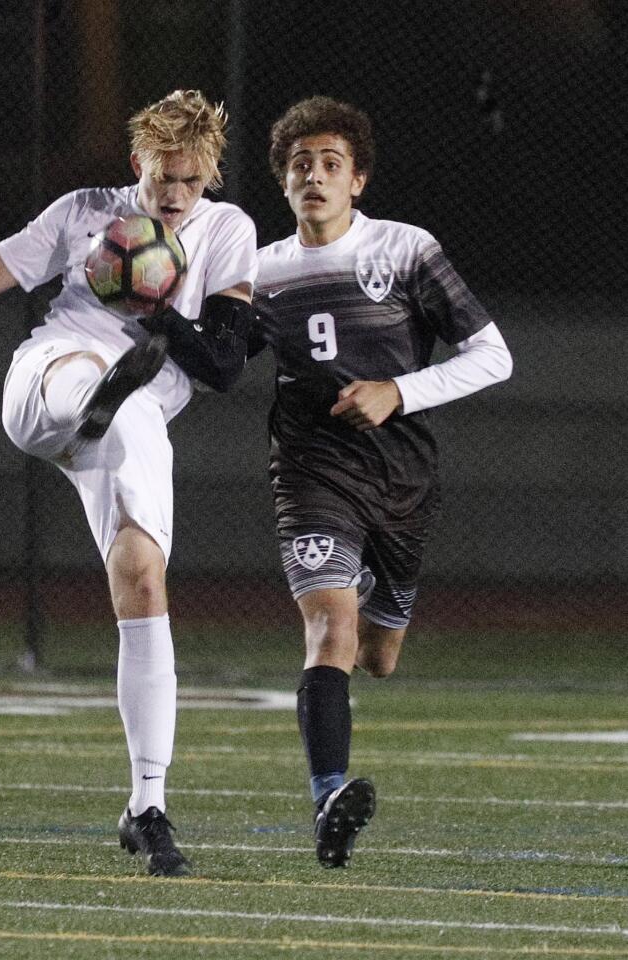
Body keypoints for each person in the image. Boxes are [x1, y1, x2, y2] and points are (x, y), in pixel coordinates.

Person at [0, 89, 258, 877]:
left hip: (138, 409)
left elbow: (224, 366)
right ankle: (93, 400)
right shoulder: (83, 212)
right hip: (54, 374)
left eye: (189, 179)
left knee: (142, 580)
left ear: (209, 173)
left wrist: (157, 314)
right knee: (88, 376)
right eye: (159, 176)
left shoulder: (229, 230)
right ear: (134, 162)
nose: (172, 194)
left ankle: (147, 805)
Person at [250, 96, 512, 868]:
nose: (314, 176)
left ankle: (372, 593)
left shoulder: (405, 250)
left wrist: (399, 390)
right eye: (299, 164)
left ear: (357, 179)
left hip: (400, 476)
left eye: (330, 163)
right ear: (283, 181)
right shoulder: (258, 272)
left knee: (379, 654)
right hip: (310, 470)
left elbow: (494, 356)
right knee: (330, 627)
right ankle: (329, 797)